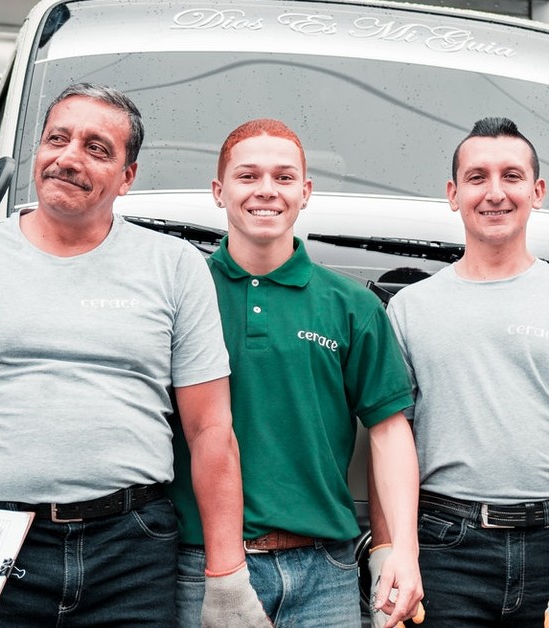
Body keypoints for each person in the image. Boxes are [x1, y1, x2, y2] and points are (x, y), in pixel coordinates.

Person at [0, 82, 264, 628]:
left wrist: (228, 580)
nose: (68, 158)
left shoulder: (176, 266)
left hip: (131, 552)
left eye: (96, 147)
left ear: (128, 177)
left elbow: (211, 431)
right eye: (56, 139)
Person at [167, 118, 425, 628]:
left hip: (324, 573)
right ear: (219, 191)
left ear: (305, 192)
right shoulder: (182, 295)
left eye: (284, 178)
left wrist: (403, 552)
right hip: (205, 567)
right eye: (248, 176)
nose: (266, 191)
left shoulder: (351, 305)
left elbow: (390, 432)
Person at [371, 116, 549, 627]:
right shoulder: (409, 309)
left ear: (537, 190)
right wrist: (389, 551)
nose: (495, 193)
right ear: (453, 192)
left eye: (511, 176)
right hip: (444, 549)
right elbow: (391, 441)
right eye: (477, 177)